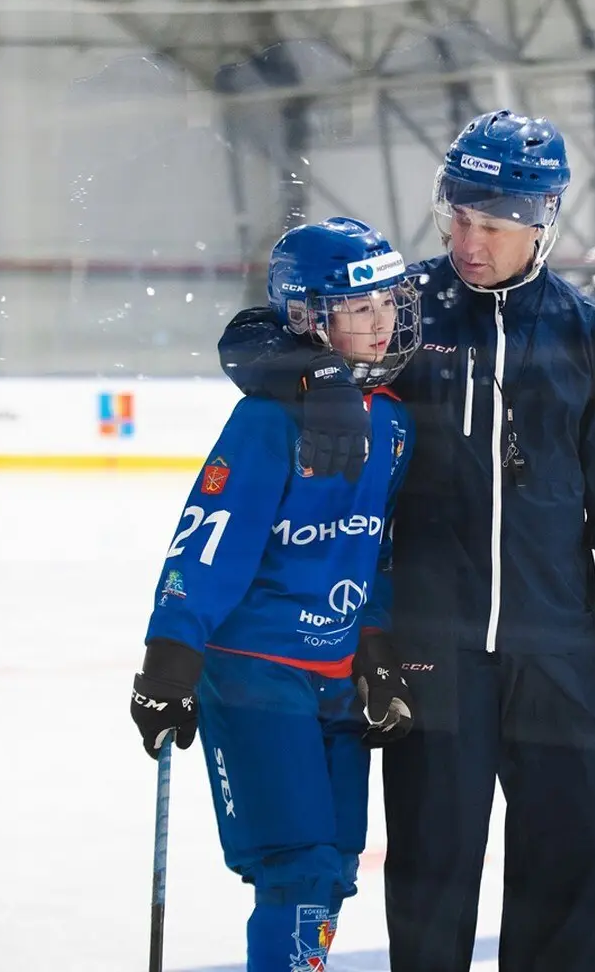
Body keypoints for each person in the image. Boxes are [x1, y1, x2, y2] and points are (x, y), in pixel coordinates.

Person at [216, 111, 595, 972]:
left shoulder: (588, 338)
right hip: (430, 655)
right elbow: (250, 338)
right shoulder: (403, 316)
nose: (468, 242)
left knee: (568, 872)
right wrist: (314, 376)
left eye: (491, 227)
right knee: (430, 879)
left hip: (556, 653)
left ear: (541, 223)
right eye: (455, 219)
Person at [129, 217, 422, 972]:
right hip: (255, 672)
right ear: (307, 317)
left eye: (387, 303)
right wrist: (170, 657)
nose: (382, 322)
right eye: (359, 309)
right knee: (295, 869)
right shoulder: (265, 420)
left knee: (331, 866)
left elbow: (374, 547)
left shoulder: (390, 421)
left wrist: (376, 649)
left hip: (334, 676)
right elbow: (209, 539)